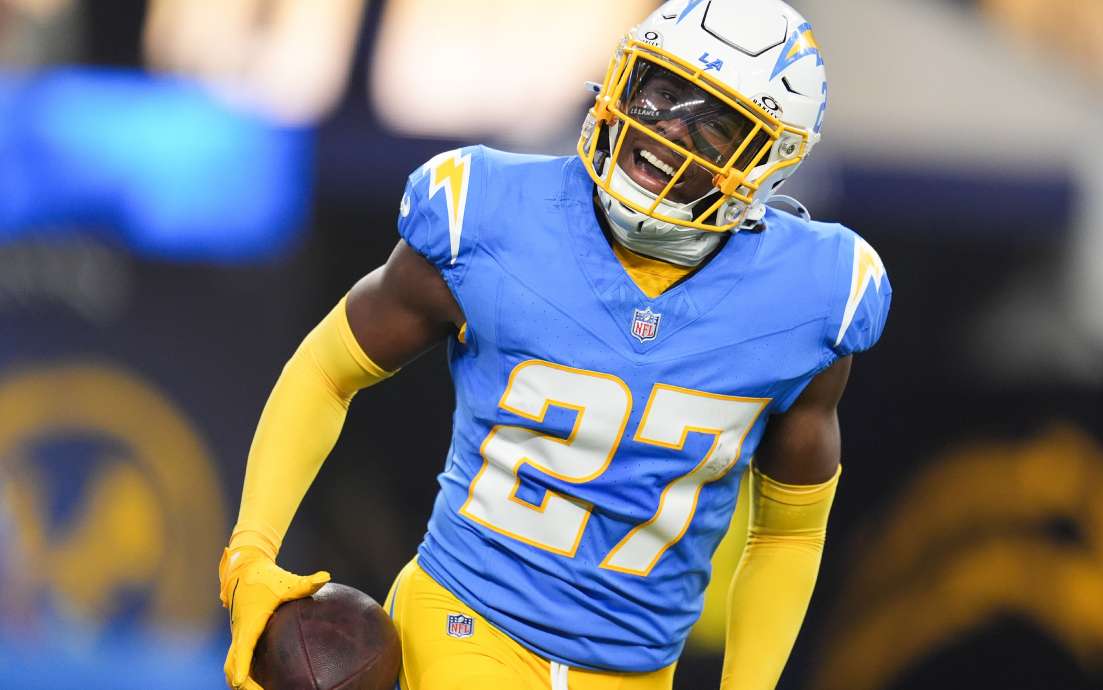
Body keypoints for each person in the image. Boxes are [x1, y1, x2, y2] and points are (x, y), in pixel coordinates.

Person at [218, 0, 892, 688]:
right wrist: (250, 556)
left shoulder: (814, 298)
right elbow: (326, 372)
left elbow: (789, 530)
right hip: (467, 621)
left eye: (715, 126)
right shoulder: (489, 214)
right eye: (660, 92)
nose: (666, 131)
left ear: (768, 164)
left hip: (637, 670)